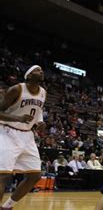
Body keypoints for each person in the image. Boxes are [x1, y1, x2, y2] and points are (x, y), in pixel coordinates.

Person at [0, 65, 46, 210]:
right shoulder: (16, 89)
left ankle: (8, 206)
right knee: (3, 176)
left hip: (27, 136)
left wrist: (40, 122)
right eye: (37, 70)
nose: (41, 72)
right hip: (8, 132)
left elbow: (38, 110)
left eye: (42, 70)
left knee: (35, 176)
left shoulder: (43, 92)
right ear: (29, 76)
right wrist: (17, 118)